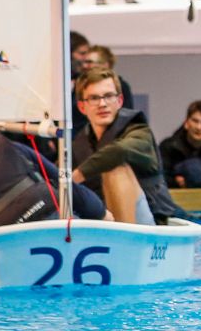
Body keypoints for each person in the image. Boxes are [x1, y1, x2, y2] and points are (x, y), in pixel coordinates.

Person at [71, 69, 180, 225]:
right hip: (103, 221)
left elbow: (120, 151)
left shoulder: (139, 131)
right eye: (94, 98)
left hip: (148, 225)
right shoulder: (79, 143)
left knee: (115, 169)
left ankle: (124, 239)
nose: (102, 104)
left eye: (108, 96)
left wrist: (79, 174)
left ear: (120, 101)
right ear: (82, 107)